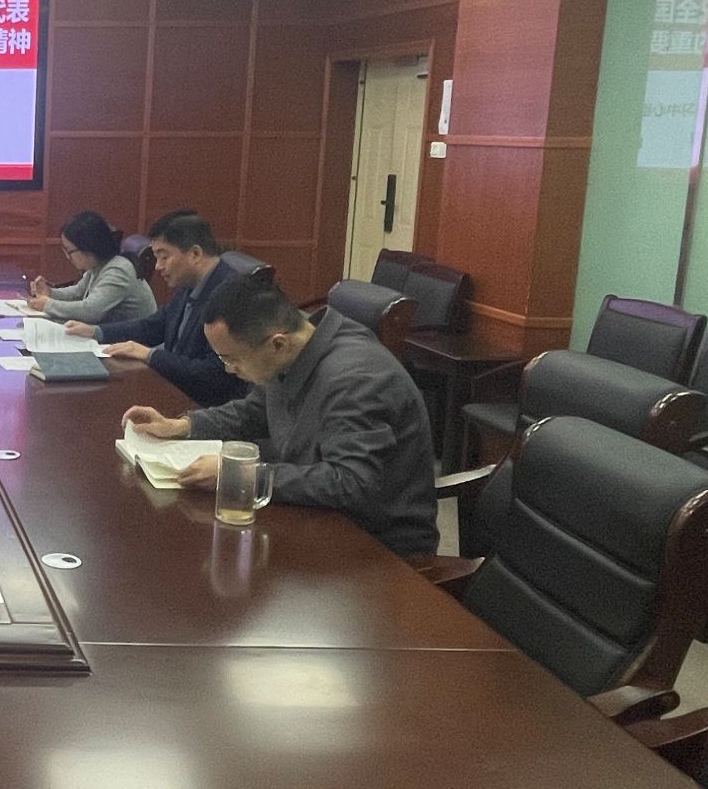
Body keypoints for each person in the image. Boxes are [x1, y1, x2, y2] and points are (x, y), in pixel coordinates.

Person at [121, 275, 440, 556]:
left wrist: (242, 476)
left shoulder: (356, 380)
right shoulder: (297, 345)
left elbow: (352, 483)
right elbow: (255, 410)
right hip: (314, 515)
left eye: (231, 359)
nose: (229, 370)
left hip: (376, 544)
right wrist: (183, 425)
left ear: (277, 344)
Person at [66, 210, 241, 407]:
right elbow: (154, 326)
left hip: (203, 405)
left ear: (195, 254)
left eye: (164, 257)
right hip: (176, 391)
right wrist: (96, 332)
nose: (158, 266)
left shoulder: (232, 295)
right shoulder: (191, 283)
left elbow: (214, 374)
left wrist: (150, 355)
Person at [28, 210, 156, 327]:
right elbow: (77, 293)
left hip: (133, 342)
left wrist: (48, 304)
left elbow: (91, 311)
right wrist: (50, 293)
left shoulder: (118, 270)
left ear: (88, 247)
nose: (68, 257)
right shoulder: (98, 265)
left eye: (69, 251)